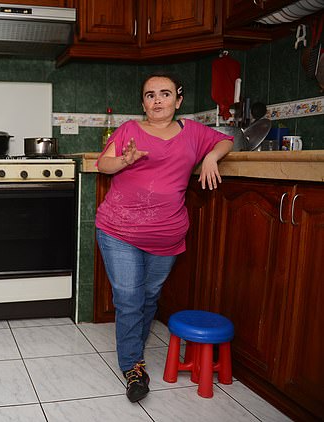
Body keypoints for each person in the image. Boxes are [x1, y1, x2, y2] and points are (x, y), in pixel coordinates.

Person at [95, 73, 233, 403]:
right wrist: (124, 160)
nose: (157, 100)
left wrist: (212, 156)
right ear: (143, 102)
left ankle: (133, 350)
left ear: (178, 100)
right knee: (129, 298)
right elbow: (104, 164)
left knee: (149, 296)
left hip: (167, 234)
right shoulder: (129, 130)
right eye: (150, 95)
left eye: (165, 94)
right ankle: (133, 367)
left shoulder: (193, 132)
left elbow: (225, 140)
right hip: (119, 229)